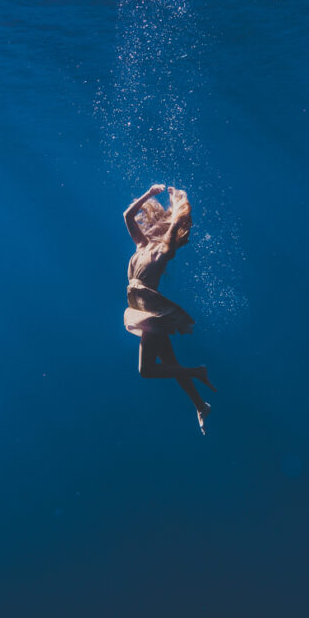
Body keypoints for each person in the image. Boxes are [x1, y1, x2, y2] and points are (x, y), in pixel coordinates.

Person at [123, 184, 216, 434]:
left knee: (146, 370)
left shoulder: (164, 250)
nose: (150, 225)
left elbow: (175, 225)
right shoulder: (141, 245)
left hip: (150, 311)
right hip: (142, 308)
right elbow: (127, 216)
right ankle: (200, 405)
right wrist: (149, 195)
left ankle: (197, 371)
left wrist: (177, 203)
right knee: (168, 362)